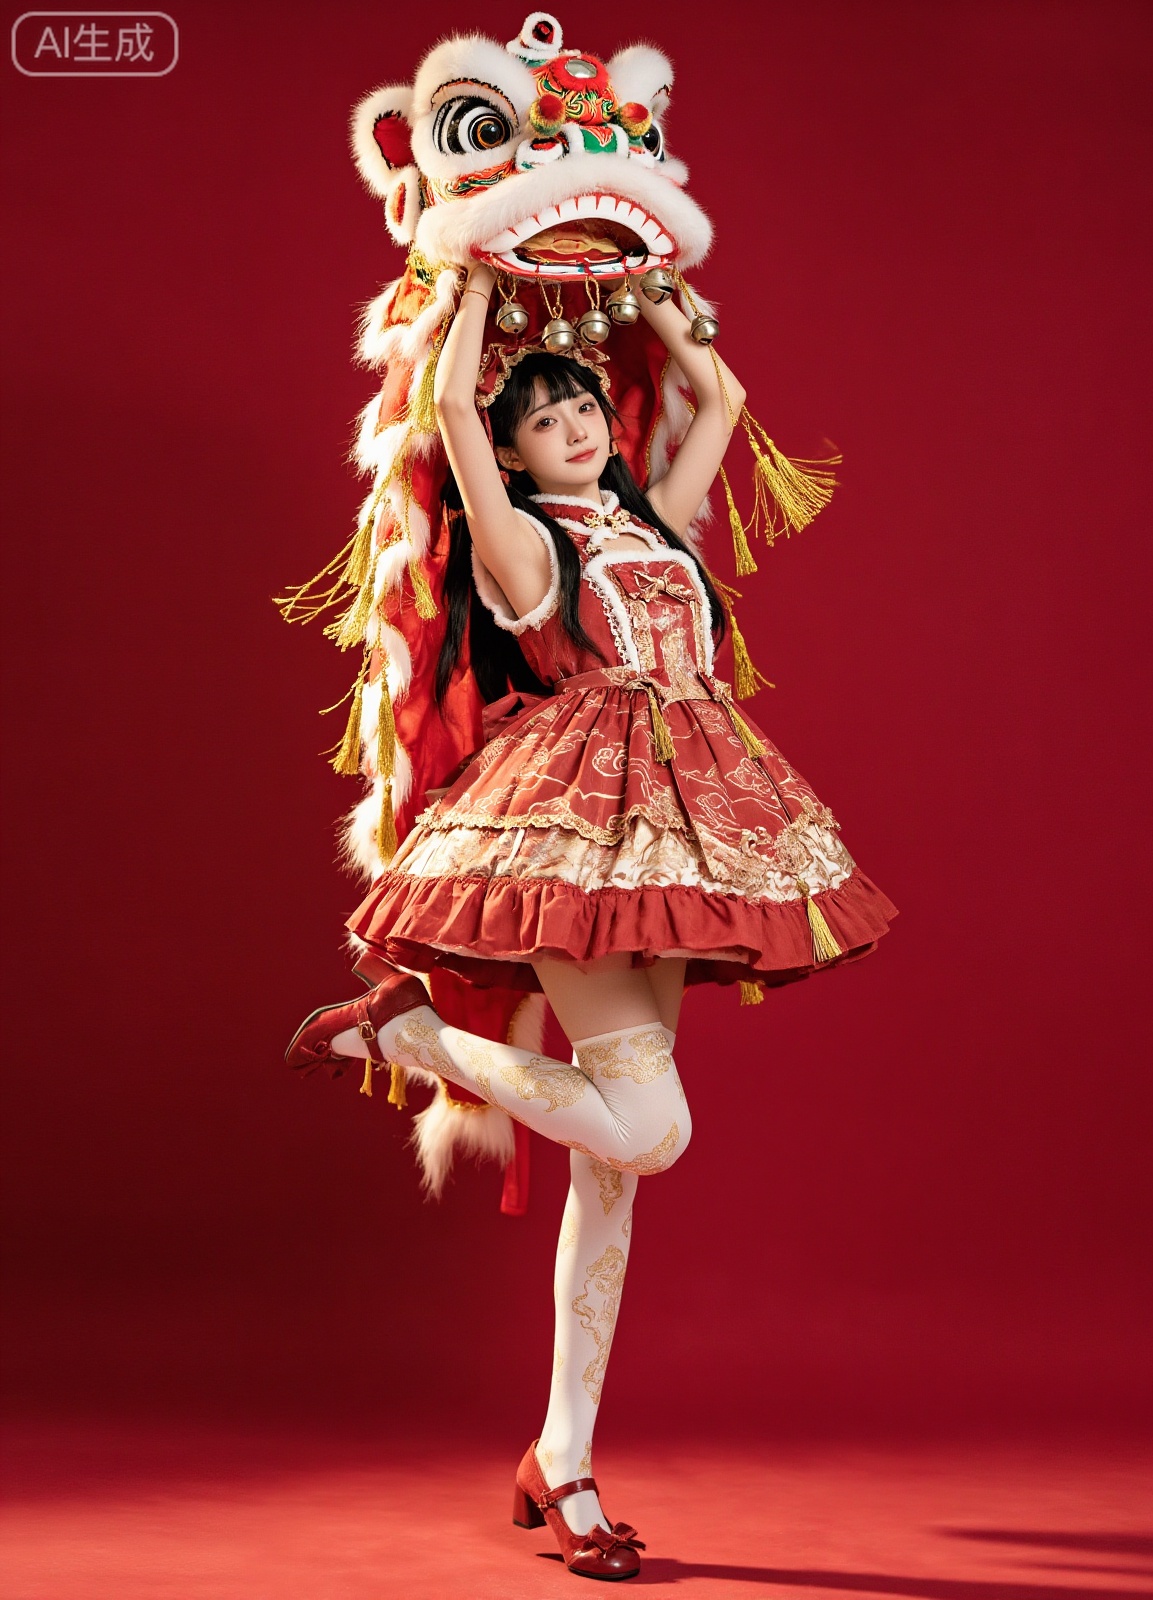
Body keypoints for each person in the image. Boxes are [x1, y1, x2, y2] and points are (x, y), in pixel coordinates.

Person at [286, 262, 896, 1581]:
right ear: (508, 448)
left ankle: (562, 1453)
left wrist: (677, 324)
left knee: (614, 1166)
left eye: (584, 410)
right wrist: (464, 300)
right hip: (575, 824)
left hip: (682, 818)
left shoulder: (648, 527)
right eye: (548, 417)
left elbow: (721, 402)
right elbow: (450, 413)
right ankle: (408, 1044)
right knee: (653, 1130)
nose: (579, 426)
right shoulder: (525, 544)